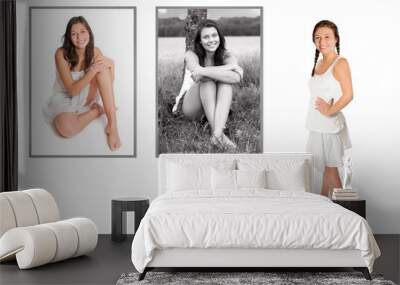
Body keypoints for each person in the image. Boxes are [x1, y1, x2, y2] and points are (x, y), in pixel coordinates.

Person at [43, 16, 121, 151]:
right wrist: (92, 71)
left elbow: (107, 83)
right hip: (65, 97)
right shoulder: (61, 54)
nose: (79, 37)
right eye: (74, 34)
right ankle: (97, 111)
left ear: (89, 32)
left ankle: (112, 125)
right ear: (68, 37)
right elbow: (72, 90)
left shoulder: (95, 51)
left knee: (103, 71)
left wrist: (112, 65)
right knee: (66, 129)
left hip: (87, 96)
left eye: (83, 31)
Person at [306, 20, 353, 197]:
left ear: (336, 39)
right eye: (317, 38)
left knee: (332, 172)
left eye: (326, 37)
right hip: (317, 126)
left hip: (330, 126)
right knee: (328, 172)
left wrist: (329, 110)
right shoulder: (319, 64)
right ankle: (324, 212)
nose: (322, 42)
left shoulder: (340, 63)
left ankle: (342, 216)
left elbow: (348, 95)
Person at [183, 20, 243, 151]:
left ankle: (216, 135)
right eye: (206, 37)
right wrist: (230, 67)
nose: (211, 40)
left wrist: (203, 70)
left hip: (213, 104)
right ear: (199, 41)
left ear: (219, 37)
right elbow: (196, 76)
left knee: (226, 84)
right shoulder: (191, 54)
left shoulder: (227, 55)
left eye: (214, 35)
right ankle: (219, 135)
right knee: (207, 81)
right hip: (192, 106)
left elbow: (236, 78)